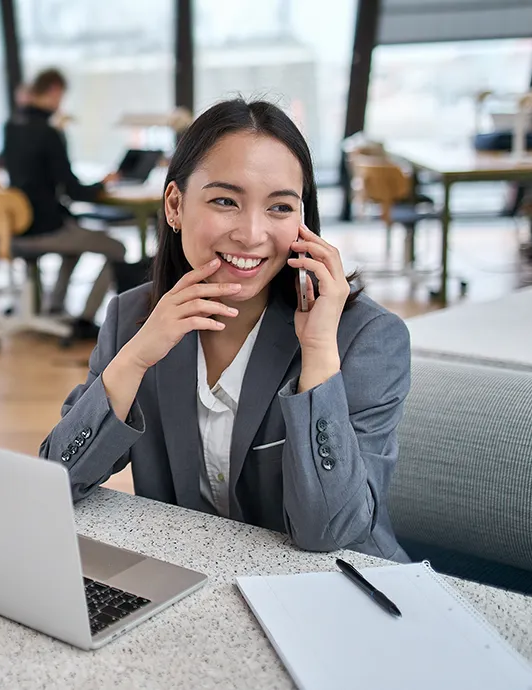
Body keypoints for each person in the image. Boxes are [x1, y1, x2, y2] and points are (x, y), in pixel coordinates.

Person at [40, 98, 411, 561]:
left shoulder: (364, 337)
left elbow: (328, 531)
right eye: (224, 201)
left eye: (279, 207)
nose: (252, 234)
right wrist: (135, 358)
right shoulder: (131, 319)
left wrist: (317, 352)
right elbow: (57, 478)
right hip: (200, 588)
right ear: (175, 205)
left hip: (341, 591)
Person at [1, 68, 127, 339]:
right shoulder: (49, 134)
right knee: (116, 247)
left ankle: (54, 306)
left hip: (14, 228)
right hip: (44, 229)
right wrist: (104, 183)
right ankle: (85, 320)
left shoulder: (11, 128)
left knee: (76, 239)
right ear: (55, 91)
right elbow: (74, 192)